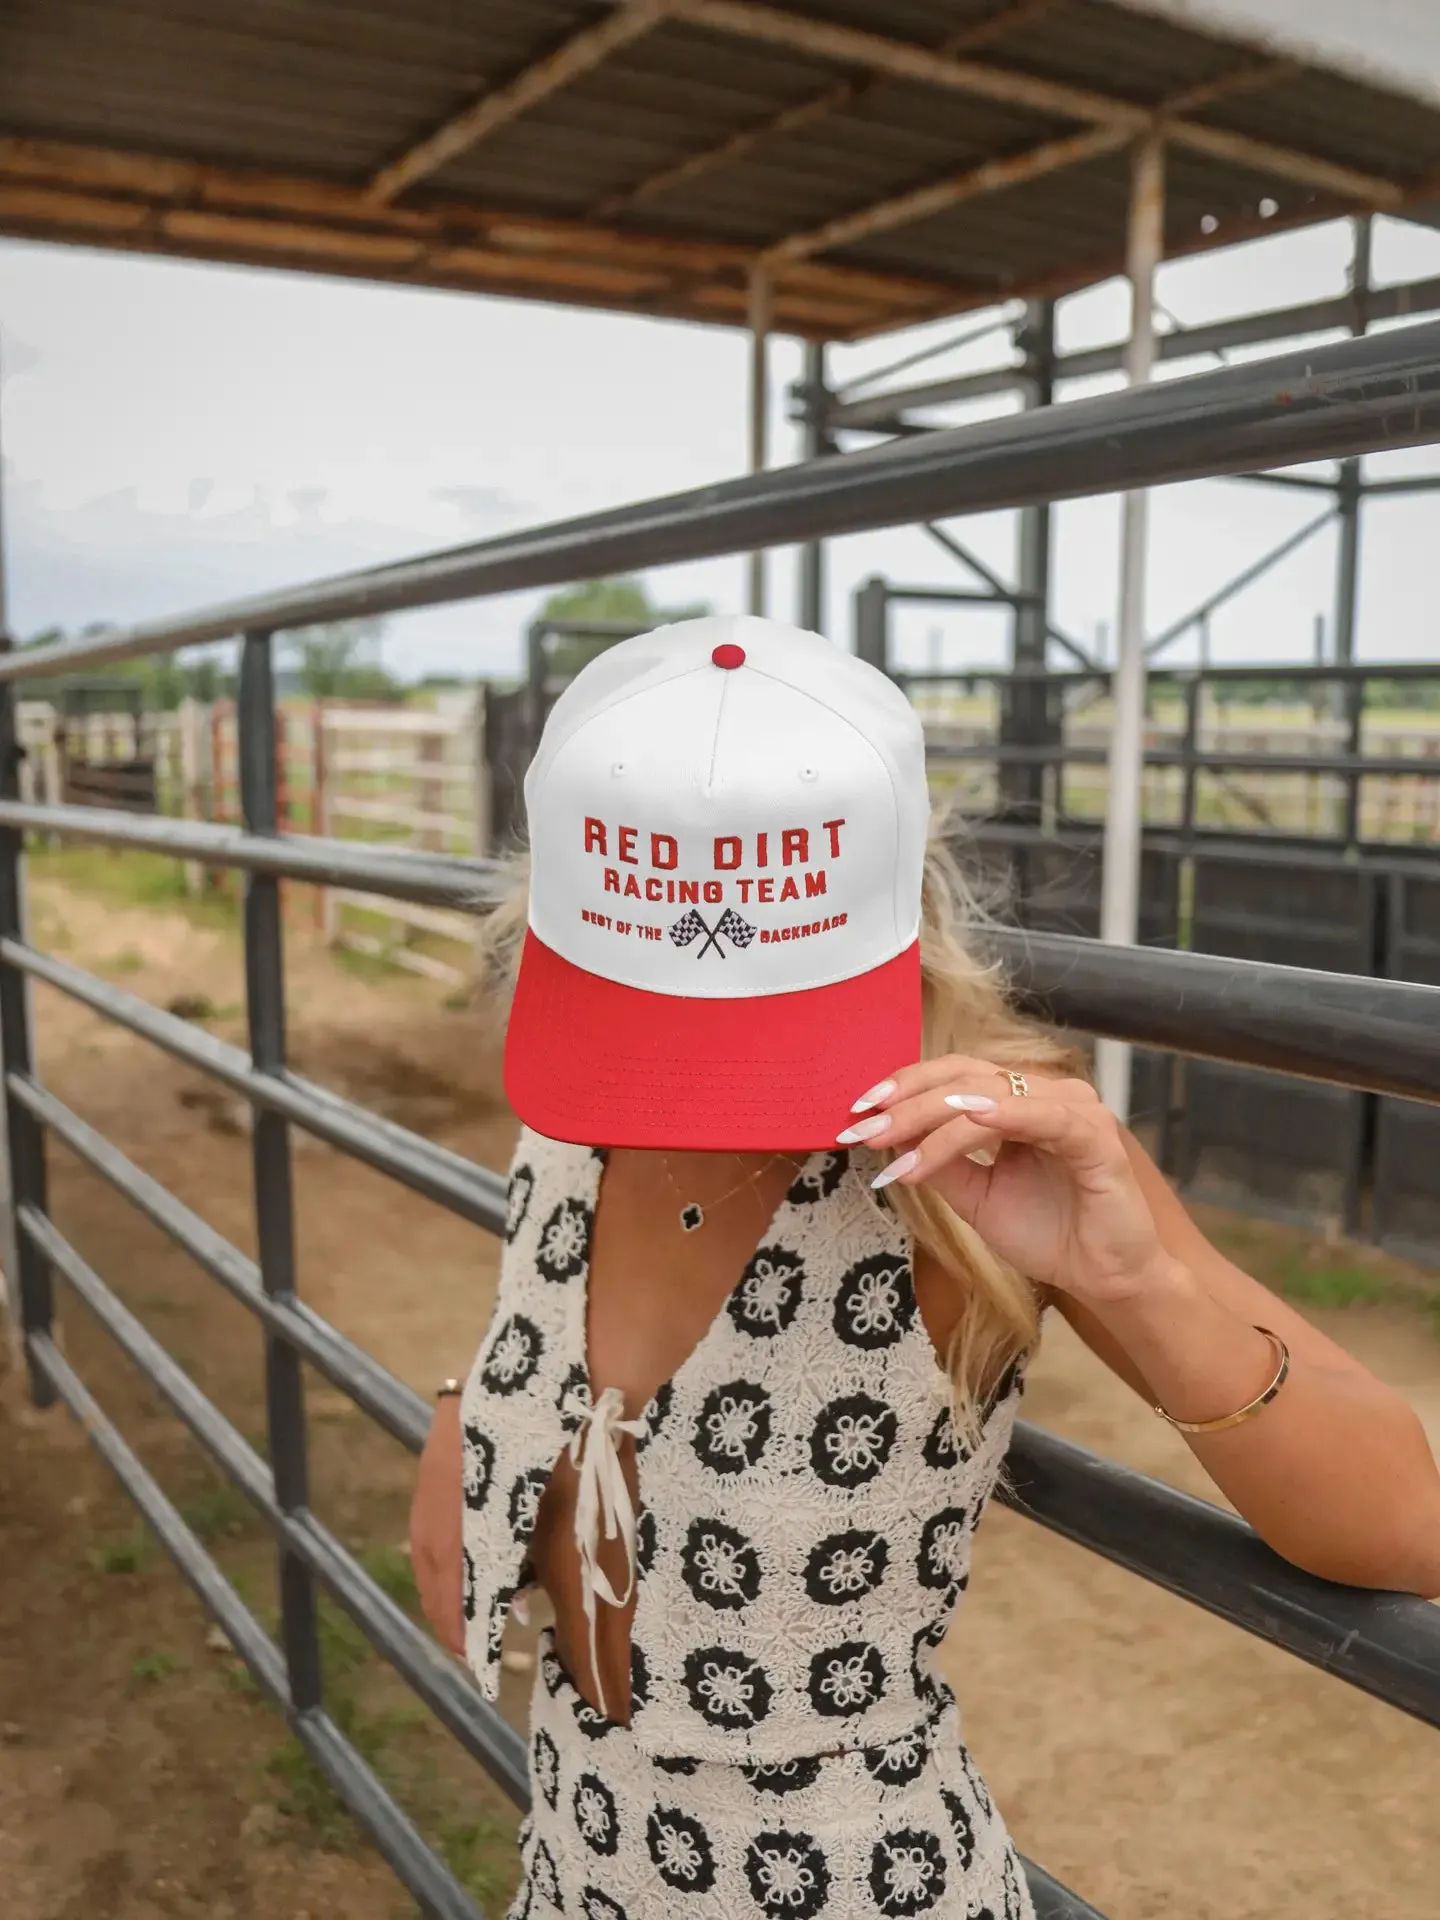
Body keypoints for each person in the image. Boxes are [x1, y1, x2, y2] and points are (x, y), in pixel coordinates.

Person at [409, 615, 1440, 1920]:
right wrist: (480, 1412)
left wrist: (1136, 1280)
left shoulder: (985, 1162)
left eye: (756, 1006)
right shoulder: (570, 1107)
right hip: (577, 1863)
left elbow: (1407, 1527)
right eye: (652, 1009)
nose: (698, 1075)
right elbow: (562, 1333)